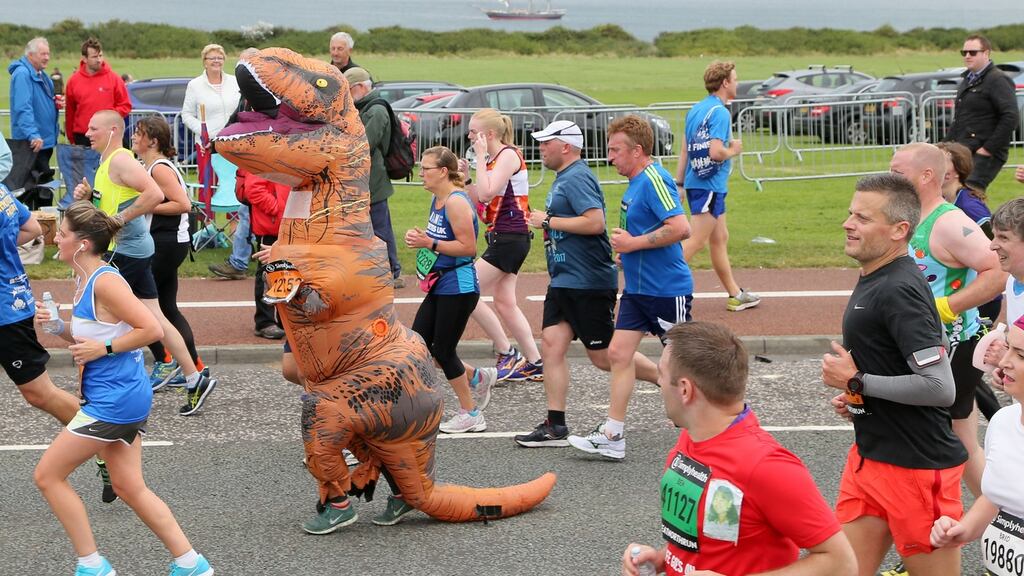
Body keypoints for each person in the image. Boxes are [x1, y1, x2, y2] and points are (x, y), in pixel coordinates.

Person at [32, 200, 214, 576]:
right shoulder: (83, 278)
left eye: (62, 234)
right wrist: (58, 329)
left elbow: (152, 328)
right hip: (115, 396)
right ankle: (190, 563)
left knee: (47, 476)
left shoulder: (107, 281)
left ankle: (92, 565)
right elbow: (88, 340)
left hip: (115, 401)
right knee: (129, 486)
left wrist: (106, 348)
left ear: (82, 243)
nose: (56, 239)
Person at [623, 321, 856, 576]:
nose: (657, 381)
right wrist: (663, 558)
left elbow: (841, 563)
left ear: (685, 390)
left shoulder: (767, 466)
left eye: (661, 375)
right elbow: (708, 540)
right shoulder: (694, 436)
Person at [824, 172, 967, 576]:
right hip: (870, 459)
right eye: (851, 213)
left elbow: (941, 388)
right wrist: (858, 397)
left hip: (917, 468)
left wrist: (857, 382)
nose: (848, 224)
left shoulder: (899, 288)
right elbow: (892, 363)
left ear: (899, 230)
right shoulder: (874, 274)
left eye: (863, 218)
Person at [514, 120, 658, 448]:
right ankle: (556, 425)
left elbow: (595, 223)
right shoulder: (563, 178)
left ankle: (666, 379)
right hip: (565, 280)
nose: (541, 148)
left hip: (588, 282)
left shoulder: (577, 176)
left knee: (605, 356)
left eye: (546, 143)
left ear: (565, 146)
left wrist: (548, 220)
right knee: (551, 345)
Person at [72, 110, 217, 417]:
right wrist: (89, 197)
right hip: (133, 250)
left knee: (107, 316)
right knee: (156, 317)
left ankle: (101, 388)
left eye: (93, 127)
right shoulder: (106, 163)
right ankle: (193, 378)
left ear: (113, 131)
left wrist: (120, 220)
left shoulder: (122, 159)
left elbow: (153, 194)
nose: (87, 132)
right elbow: (108, 203)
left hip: (125, 251)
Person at [568, 115, 691, 461]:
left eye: (616, 150)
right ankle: (612, 433)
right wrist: (626, 253)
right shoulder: (635, 182)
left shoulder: (654, 179)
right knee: (618, 354)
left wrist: (634, 244)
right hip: (637, 290)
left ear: (637, 151)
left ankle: (718, 423)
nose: (611, 157)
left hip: (667, 289)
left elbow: (682, 228)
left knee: (680, 366)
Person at [892, 143, 1005, 499]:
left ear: (926, 176)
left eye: (897, 172)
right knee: (962, 441)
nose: (889, 177)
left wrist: (948, 307)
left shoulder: (950, 223)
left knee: (934, 441)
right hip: (921, 346)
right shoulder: (907, 217)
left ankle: (936, 531)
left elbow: (999, 270)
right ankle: (1003, 521)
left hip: (953, 347)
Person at [405, 146, 497, 435]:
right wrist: (423, 237)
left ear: (443, 172)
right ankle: (476, 376)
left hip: (459, 287)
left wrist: (428, 243)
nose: (421, 173)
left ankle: (470, 413)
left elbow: (469, 248)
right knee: (419, 345)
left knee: (443, 351)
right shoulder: (438, 198)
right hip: (441, 283)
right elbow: (441, 237)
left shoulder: (456, 202)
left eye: (426, 169)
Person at [929, 317, 1024, 575]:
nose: (1004, 362)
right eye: (1008, 348)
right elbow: (998, 495)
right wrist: (965, 529)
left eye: (1021, 355)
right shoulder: (1002, 423)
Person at [461, 108, 543, 382]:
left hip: (511, 236)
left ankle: (507, 352)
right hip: (503, 235)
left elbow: (488, 192)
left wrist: (481, 159)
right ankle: (534, 362)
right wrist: (468, 179)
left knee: (465, 289)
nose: (469, 136)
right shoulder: (494, 159)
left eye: (474, 131)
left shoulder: (507, 155)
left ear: (489, 134)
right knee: (505, 302)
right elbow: (481, 201)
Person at [130, 115, 209, 388]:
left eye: (138, 134)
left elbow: (183, 204)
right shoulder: (149, 166)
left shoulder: (159, 169)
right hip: (167, 242)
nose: (133, 137)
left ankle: (165, 361)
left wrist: (145, 206)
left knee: (141, 305)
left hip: (165, 243)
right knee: (165, 307)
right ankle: (195, 367)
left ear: (153, 140)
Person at [676, 61, 760, 312]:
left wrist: (680, 182)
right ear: (725, 82)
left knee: (720, 238)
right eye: (735, 78)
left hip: (697, 183)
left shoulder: (696, 109)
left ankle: (735, 294)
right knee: (695, 242)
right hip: (709, 185)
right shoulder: (721, 112)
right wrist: (733, 149)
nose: (737, 82)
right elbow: (716, 152)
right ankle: (654, 291)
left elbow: (685, 149)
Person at [935, 141, 1004, 419]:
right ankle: (995, 422)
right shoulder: (948, 204)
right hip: (967, 294)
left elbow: (996, 254)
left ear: (953, 172)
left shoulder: (970, 209)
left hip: (980, 298)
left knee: (965, 371)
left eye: (940, 161)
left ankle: (1000, 420)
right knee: (966, 377)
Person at [180, 45, 249, 283]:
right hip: (207, 144)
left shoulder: (233, 82)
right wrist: (201, 130)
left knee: (235, 186)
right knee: (208, 186)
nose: (216, 61)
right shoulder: (195, 85)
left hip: (233, 143)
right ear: (204, 61)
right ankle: (207, 234)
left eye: (220, 57)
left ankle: (234, 233)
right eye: (212, 57)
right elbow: (186, 113)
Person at [345, 67, 403, 288]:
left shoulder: (376, 110)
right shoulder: (366, 107)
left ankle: (392, 271)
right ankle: (379, 269)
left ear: (359, 87)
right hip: (367, 178)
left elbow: (365, 143)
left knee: (380, 228)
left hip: (374, 180)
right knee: (370, 227)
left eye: (349, 91)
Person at [944, 34, 1020, 192]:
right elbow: (959, 119)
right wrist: (946, 146)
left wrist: (988, 149)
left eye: (972, 52)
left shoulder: (998, 80)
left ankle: (982, 218)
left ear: (986, 53)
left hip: (985, 153)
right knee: (953, 194)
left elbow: (1010, 116)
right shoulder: (968, 79)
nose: (967, 56)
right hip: (962, 150)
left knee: (970, 193)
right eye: (964, 53)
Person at [236, 169, 290, 340]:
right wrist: (277, 209)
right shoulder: (264, 154)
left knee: (286, 271)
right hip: (272, 222)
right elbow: (254, 188)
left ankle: (283, 320)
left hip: (285, 220)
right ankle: (264, 321)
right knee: (268, 272)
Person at [8, 37, 58, 182]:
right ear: (30, 55)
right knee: (39, 188)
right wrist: (33, 135)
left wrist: (55, 102)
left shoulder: (41, 74)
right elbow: (23, 108)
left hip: (44, 141)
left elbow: (39, 101)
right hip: (32, 144)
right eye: (43, 54)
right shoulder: (23, 74)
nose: (47, 58)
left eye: (48, 54)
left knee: (41, 187)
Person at [64, 38, 130, 147]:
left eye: (100, 56)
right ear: (84, 59)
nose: (99, 60)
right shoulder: (73, 81)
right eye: (94, 57)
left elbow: (125, 105)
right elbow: (70, 112)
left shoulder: (115, 79)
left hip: (109, 135)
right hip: (83, 137)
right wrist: (71, 138)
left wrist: (108, 117)